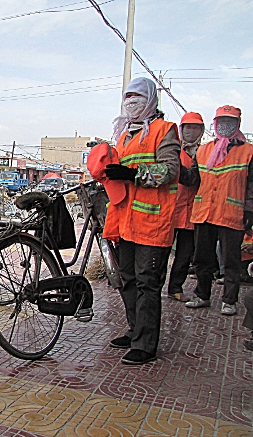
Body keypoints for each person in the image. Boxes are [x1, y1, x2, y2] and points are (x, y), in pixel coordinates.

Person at [103, 77, 181, 365]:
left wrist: (133, 174)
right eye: (128, 96)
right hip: (125, 221)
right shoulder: (124, 134)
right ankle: (135, 330)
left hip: (152, 222)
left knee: (148, 283)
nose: (131, 101)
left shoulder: (164, 130)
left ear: (149, 99)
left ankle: (145, 344)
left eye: (137, 96)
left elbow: (171, 170)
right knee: (128, 279)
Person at [184, 105, 253, 315]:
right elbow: (193, 178)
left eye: (230, 122)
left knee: (231, 261)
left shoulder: (248, 152)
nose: (225, 125)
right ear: (214, 124)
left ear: (238, 124)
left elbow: (252, 185)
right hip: (204, 213)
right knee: (202, 259)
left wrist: (250, 211)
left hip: (232, 214)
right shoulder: (204, 150)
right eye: (221, 121)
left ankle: (229, 300)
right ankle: (202, 295)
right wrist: (176, 169)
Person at [167, 112, 205, 302]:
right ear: (181, 130)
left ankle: (175, 288)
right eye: (187, 127)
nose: (191, 131)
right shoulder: (173, 150)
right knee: (162, 252)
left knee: (184, 255)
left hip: (193, 213)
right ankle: (154, 287)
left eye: (195, 127)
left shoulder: (206, 152)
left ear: (202, 130)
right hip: (172, 210)